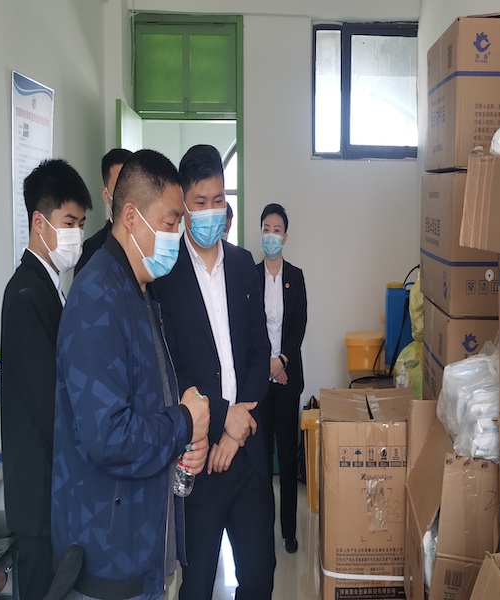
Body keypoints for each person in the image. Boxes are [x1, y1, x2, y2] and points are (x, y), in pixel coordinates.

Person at [51, 149, 210, 599]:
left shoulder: (137, 291)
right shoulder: (96, 298)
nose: (176, 236)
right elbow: (109, 437)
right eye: (170, 222)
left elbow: (145, 402)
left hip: (142, 545)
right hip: (109, 561)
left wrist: (185, 440)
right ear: (131, 217)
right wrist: (184, 422)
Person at [153, 145, 274, 599]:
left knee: (258, 577)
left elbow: (260, 352)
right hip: (198, 457)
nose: (210, 211)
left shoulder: (242, 265)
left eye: (218, 200)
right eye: (200, 202)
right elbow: (172, 368)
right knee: (199, 581)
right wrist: (224, 419)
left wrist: (236, 432)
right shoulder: (165, 275)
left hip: (248, 452)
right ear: (183, 205)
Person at [0, 158, 92, 600]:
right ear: (40, 222)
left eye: (81, 224)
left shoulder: (48, 287)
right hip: (37, 499)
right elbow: (49, 404)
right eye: (68, 223)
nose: (76, 234)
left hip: (52, 493)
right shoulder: (27, 295)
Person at [255, 203, 307, 554]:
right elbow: (248, 326)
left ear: (285, 236)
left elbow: (299, 323)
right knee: (260, 461)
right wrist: (267, 363)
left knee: (287, 458)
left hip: (288, 380)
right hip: (260, 381)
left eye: (277, 230)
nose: (271, 235)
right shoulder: (250, 275)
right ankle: (262, 530)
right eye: (266, 229)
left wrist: (282, 360)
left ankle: (288, 531)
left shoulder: (296, 276)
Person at [74, 148, 133, 276]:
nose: (127, 193)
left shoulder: (153, 244)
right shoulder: (91, 250)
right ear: (106, 195)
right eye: (119, 186)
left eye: (132, 185)